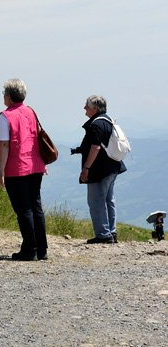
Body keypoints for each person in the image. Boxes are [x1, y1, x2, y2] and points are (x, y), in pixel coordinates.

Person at [0, 79, 48, 261]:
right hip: (36, 165)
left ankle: (29, 249)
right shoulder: (30, 111)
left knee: (23, 208)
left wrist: (1, 171)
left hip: (16, 168)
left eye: (4, 94)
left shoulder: (5, 116)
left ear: (8, 96)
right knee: (36, 206)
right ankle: (41, 249)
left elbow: (4, 144)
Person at [71, 95, 127, 244]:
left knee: (96, 201)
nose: (84, 108)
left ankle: (103, 234)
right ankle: (111, 231)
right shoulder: (108, 121)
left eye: (87, 106)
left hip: (99, 169)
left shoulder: (95, 124)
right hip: (113, 165)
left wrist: (86, 168)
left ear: (95, 108)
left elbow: (95, 147)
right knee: (109, 200)